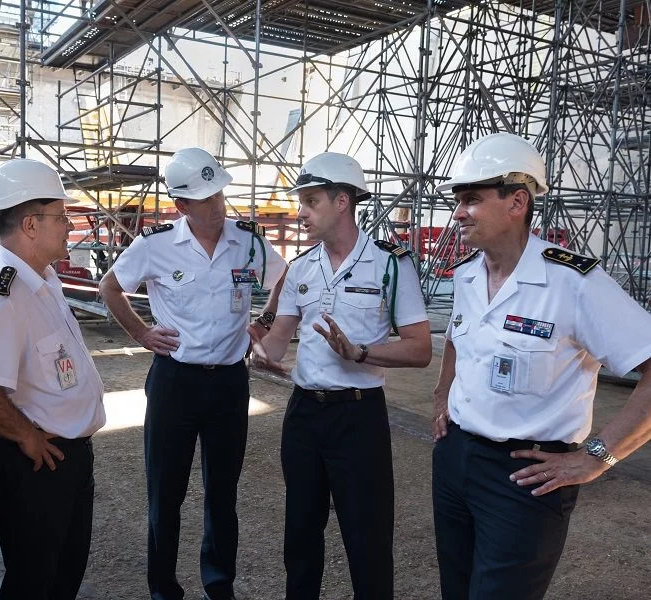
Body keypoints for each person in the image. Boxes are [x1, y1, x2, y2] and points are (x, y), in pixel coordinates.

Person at [430, 132, 651, 599]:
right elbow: (457, 338)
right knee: (456, 586)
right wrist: (441, 395)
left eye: (471, 199)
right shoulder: (469, 274)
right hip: (456, 458)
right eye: (458, 200)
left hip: (526, 474)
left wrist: (597, 458)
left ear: (517, 202)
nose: (457, 212)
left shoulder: (574, 283)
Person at [99, 147, 287, 600]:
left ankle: (218, 583)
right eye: (204, 199)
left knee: (222, 493)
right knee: (166, 495)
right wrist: (142, 332)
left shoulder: (249, 240)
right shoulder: (156, 244)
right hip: (175, 383)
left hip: (228, 383)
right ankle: (164, 588)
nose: (217, 206)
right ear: (181, 206)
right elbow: (110, 285)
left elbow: (284, 277)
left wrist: (264, 321)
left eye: (219, 194)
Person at [249, 151, 432, 600]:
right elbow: (274, 342)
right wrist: (257, 349)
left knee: (367, 539)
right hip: (305, 416)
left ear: (343, 201)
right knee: (301, 537)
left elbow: (421, 349)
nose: (301, 211)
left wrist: (361, 351)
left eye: (311, 201)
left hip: (358, 419)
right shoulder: (302, 268)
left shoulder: (391, 264)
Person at [0, 158, 106, 600]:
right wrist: (26, 435)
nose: (70, 226)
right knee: (34, 583)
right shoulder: (2, 292)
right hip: (35, 462)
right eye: (62, 216)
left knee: (61, 577)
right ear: (31, 224)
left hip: (65, 458)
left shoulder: (43, 280)